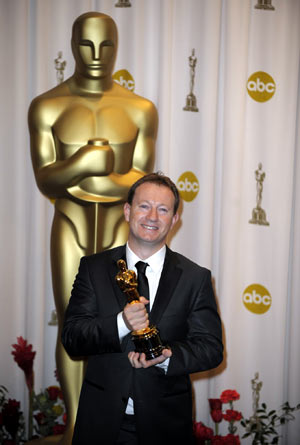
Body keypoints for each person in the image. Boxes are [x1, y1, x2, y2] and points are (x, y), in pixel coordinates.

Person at [28, 11, 158, 443]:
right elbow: (45, 177)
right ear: (71, 45)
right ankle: (74, 430)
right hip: (71, 223)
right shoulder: (47, 106)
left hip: (121, 235)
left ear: (117, 46)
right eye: (86, 44)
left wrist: (83, 172)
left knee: (126, 322)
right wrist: (83, 163)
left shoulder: (140, 110)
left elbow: (140, 186)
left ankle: (110, 426)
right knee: (73, 326)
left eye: (106, 45)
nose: (97, 55)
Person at [62, 172, 223, 445]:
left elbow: (210, 348)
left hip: (166, 426)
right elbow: (73, 338)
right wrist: (122, 323)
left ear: (174, 220)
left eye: (163, 210)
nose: (152, 217)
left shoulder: (195, 277)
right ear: (127, 211)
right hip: (101, 423)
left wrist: (167, 356)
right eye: (144, 206)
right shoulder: (94, 268)